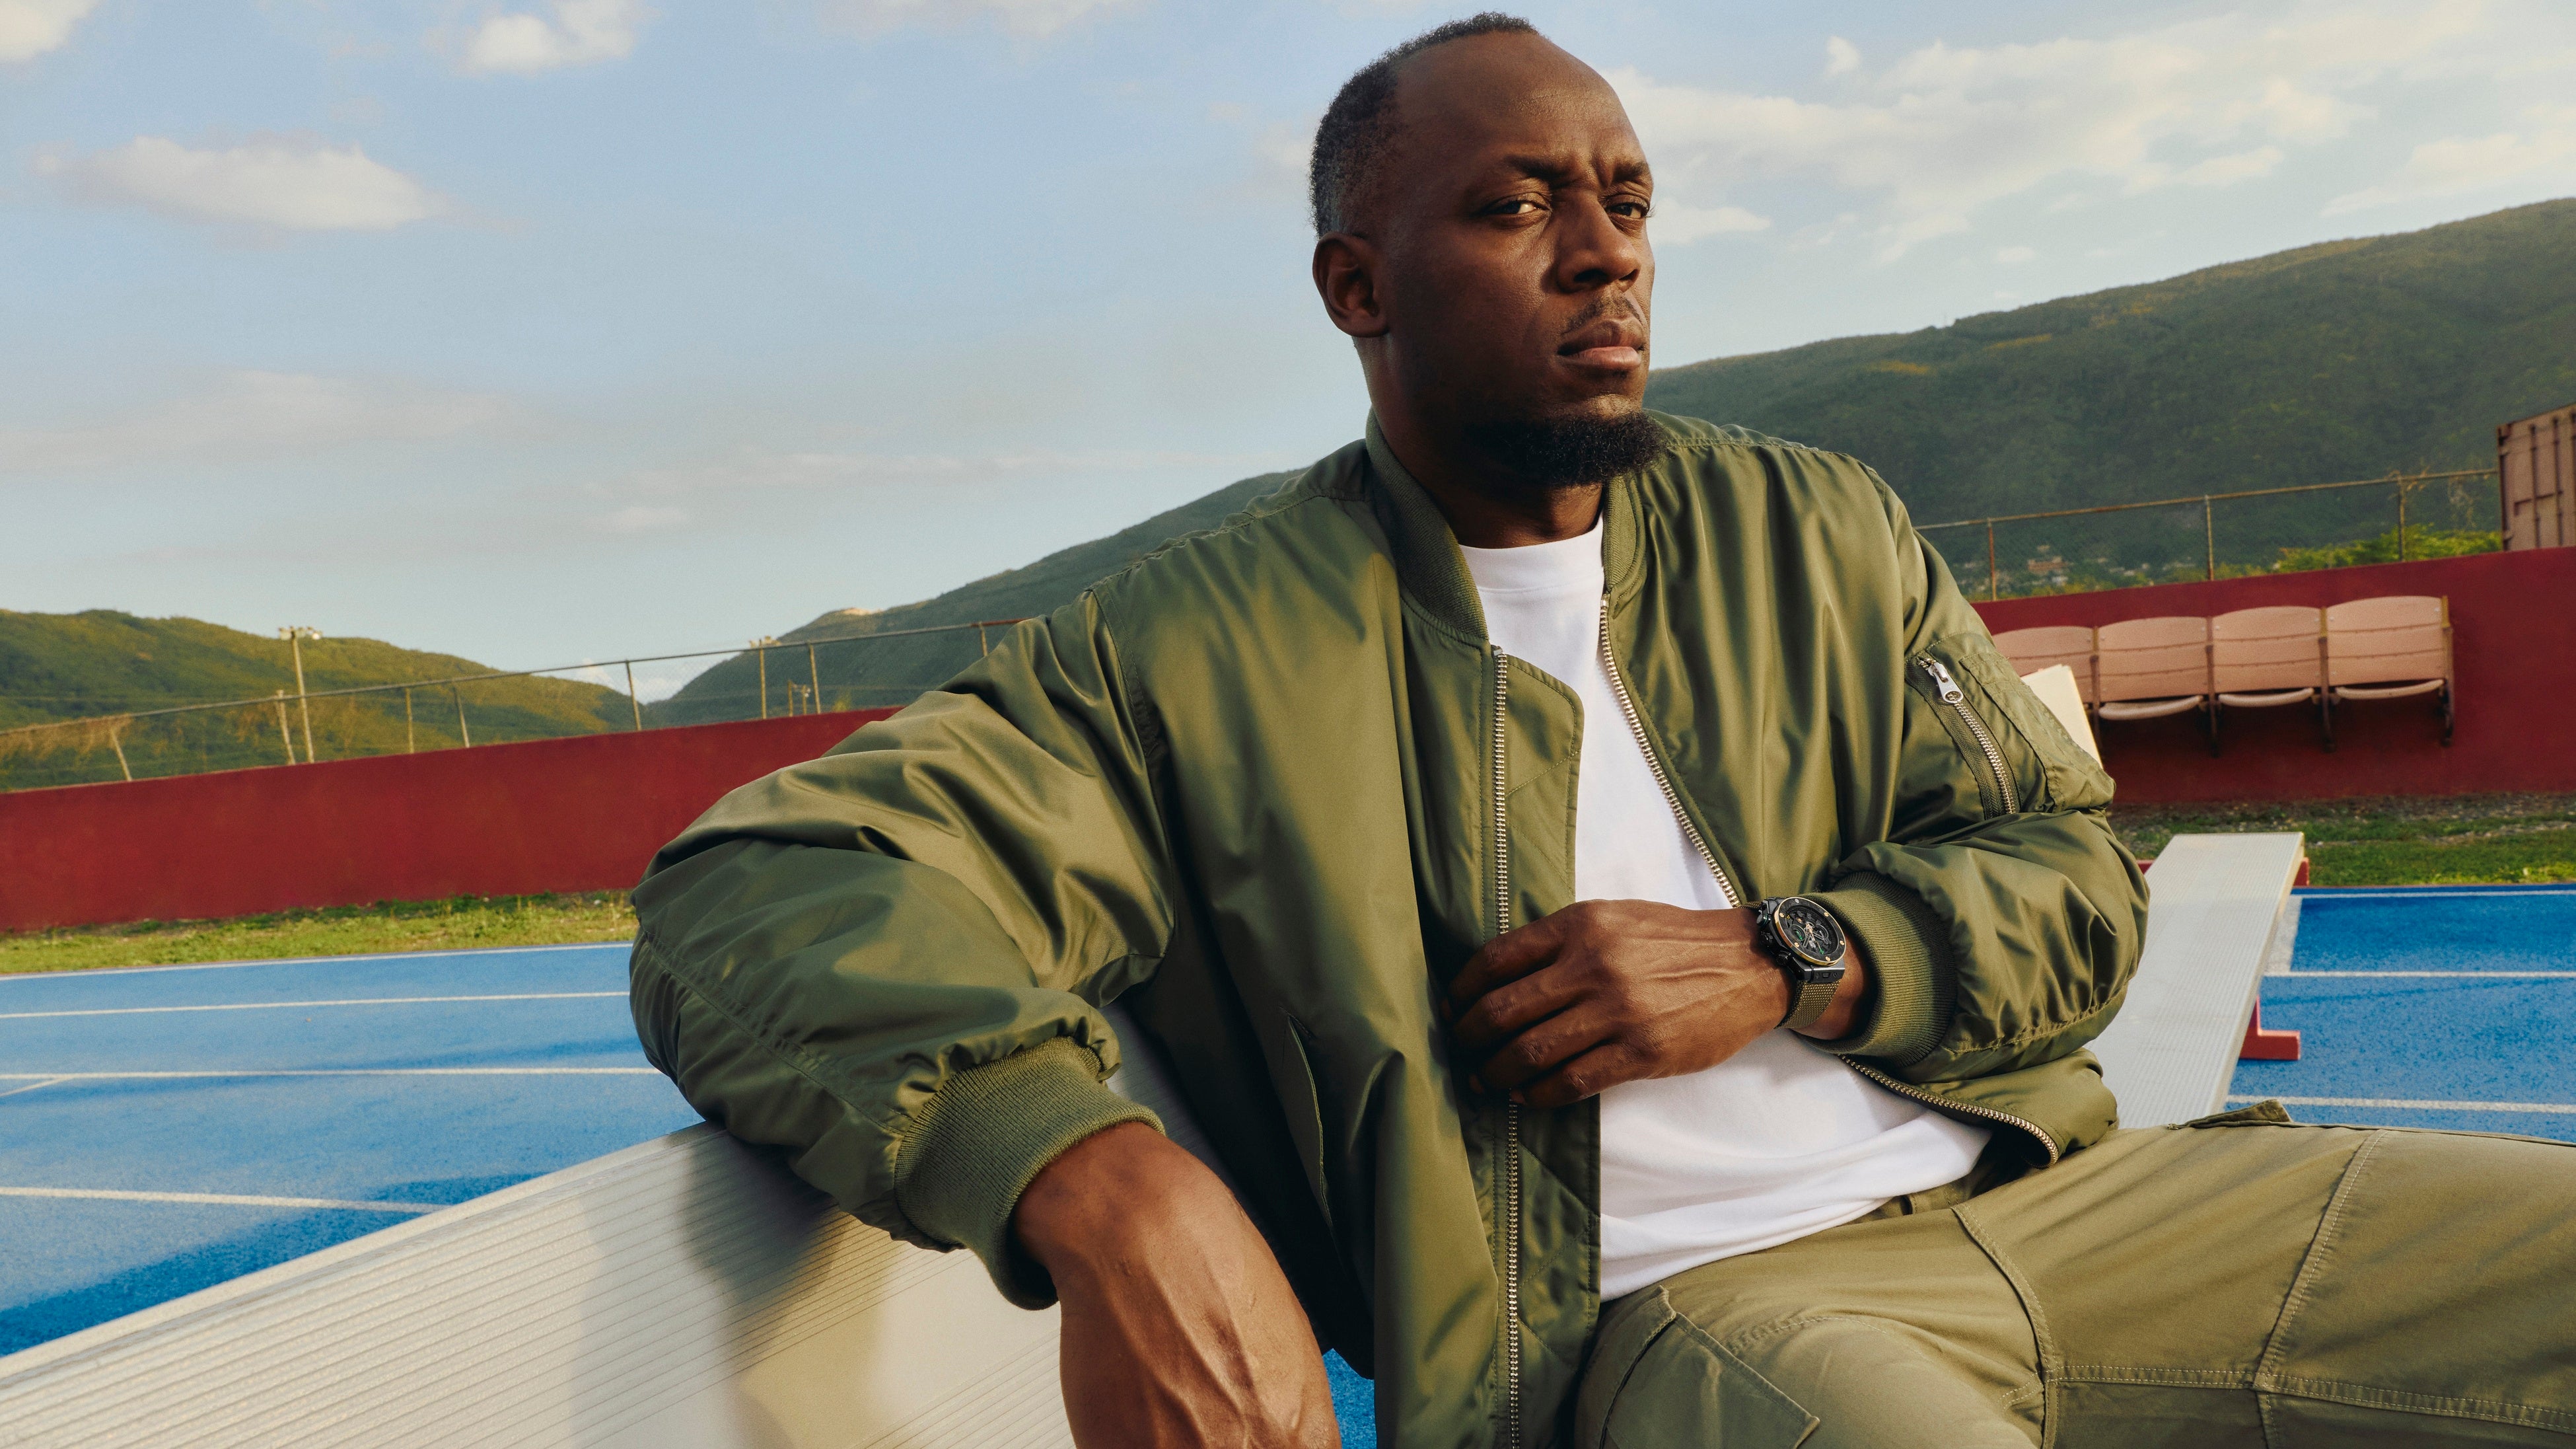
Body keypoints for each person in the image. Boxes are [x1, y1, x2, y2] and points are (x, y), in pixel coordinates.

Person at [629, 15, 2575, 1448]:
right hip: (1699, 1319)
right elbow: (760, 896)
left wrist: (1789, 958)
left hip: (2070, 1193)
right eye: (1515, 207)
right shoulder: (1191, 649)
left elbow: (2071, 881)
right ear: (1356, 286)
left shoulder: (1818, 524)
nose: (1604, 248)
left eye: (1626, 199)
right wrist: (1092, 1177)